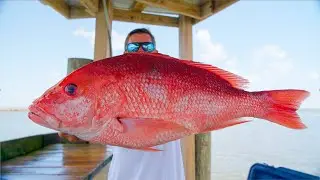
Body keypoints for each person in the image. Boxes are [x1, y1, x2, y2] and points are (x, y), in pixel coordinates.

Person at [59, 28, 186, 180]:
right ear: (125, 54)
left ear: (156, 51)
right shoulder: (112, 89)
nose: (140, 50)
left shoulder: (175, 83)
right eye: (133, 47)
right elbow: (102, 127)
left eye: (147, 46)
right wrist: (78, 131)